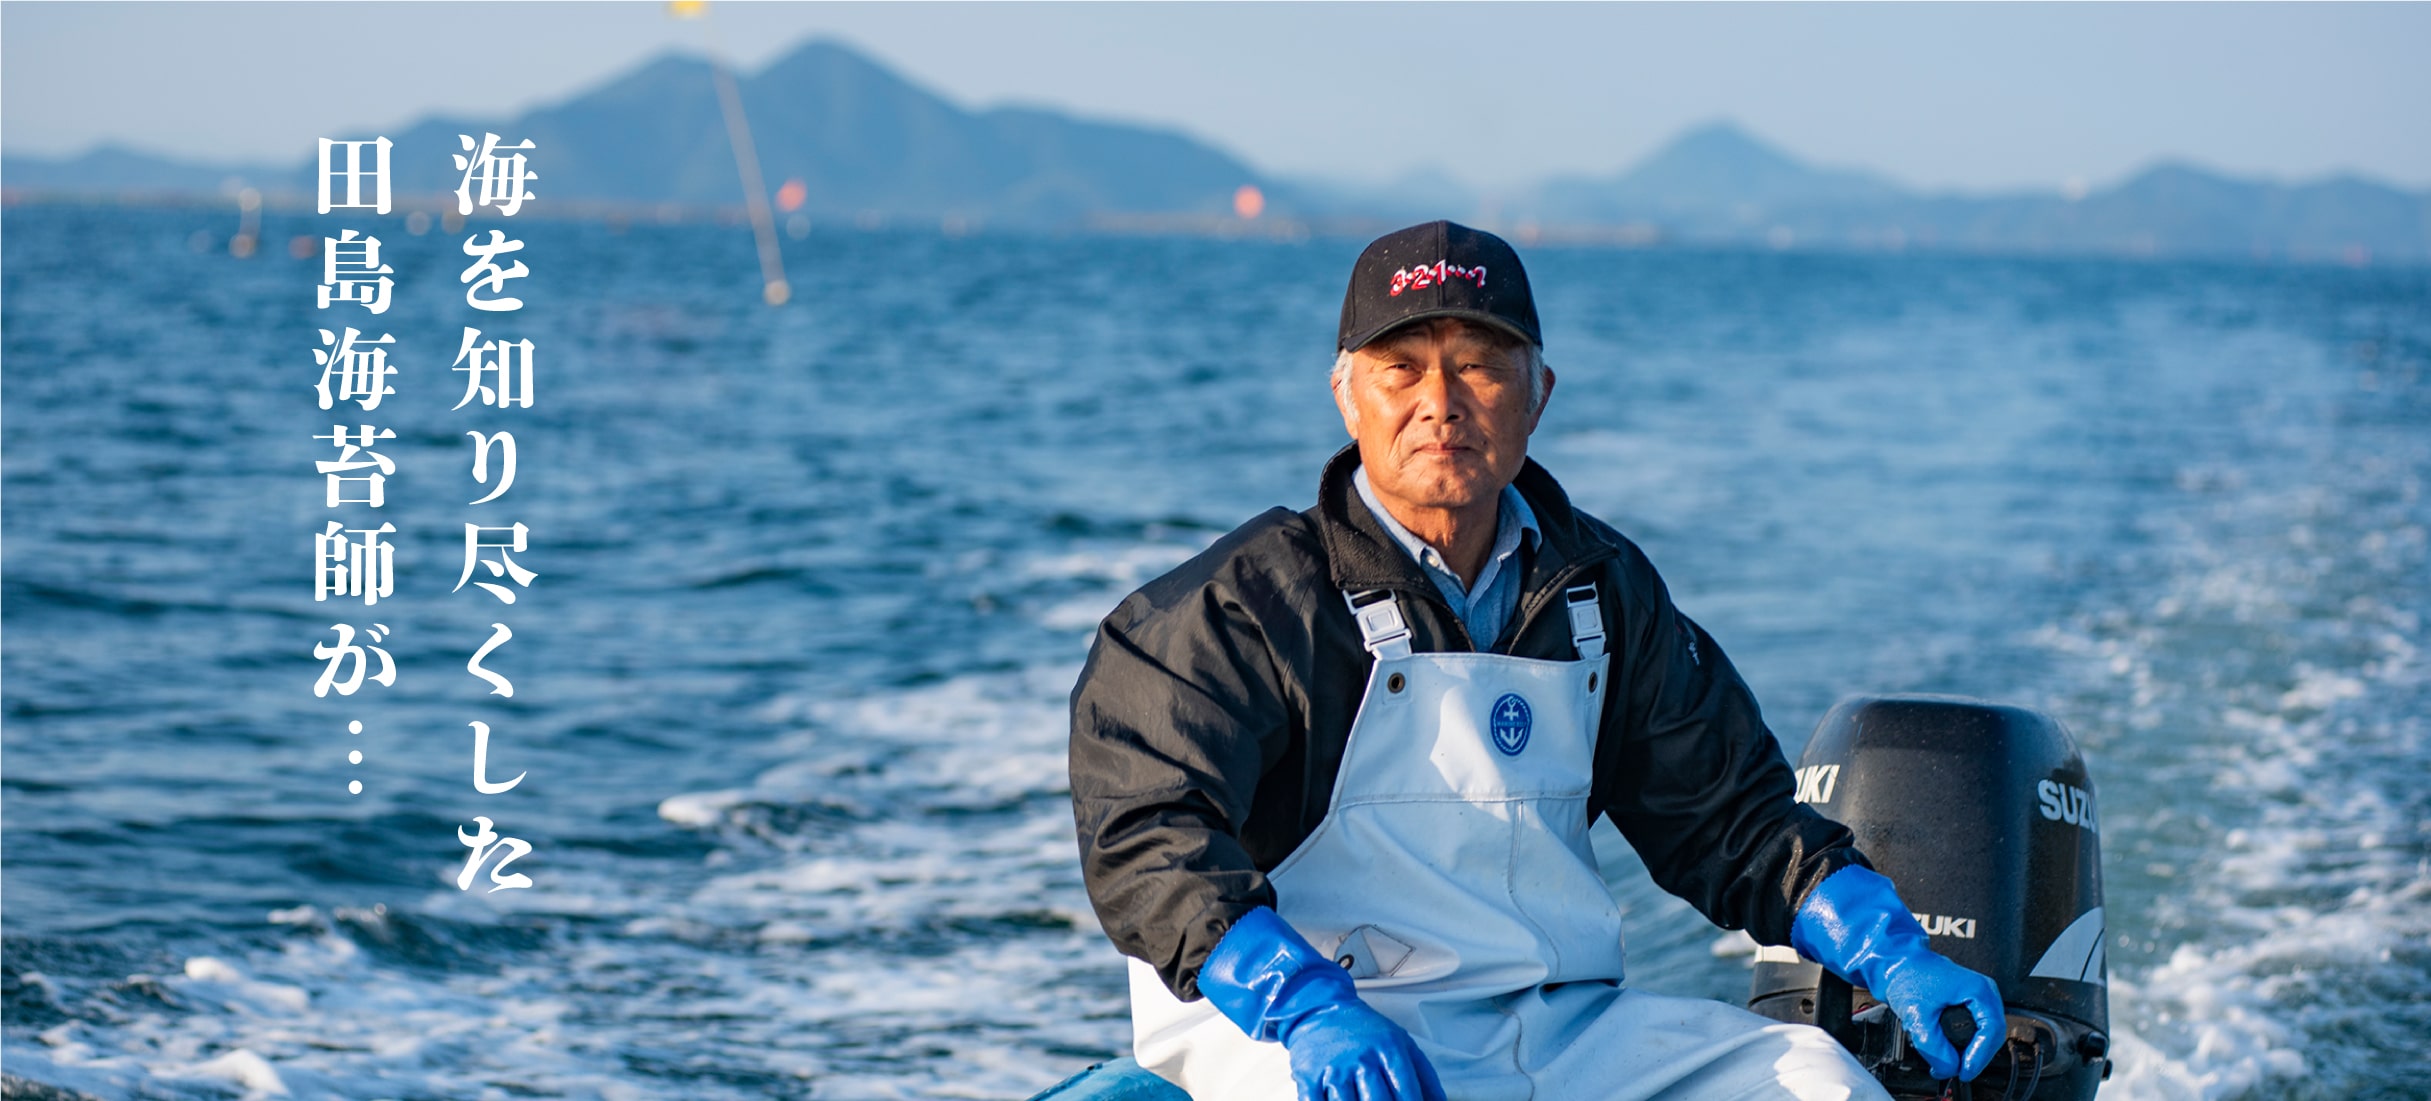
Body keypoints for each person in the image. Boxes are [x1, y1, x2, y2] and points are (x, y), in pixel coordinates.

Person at [1067, 221, 2004, 1101]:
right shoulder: (1242, 606)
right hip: (1299, 1029)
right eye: (1401, 369)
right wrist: (1307, 1005)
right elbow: (1149, 836)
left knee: (1814, 1079)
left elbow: (1733, 819)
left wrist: (1890, 951)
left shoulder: (1601, 590)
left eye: (1479, 366)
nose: (1440, 403)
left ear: (1538, 392)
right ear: (1347, 394)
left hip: (1556, 1026)